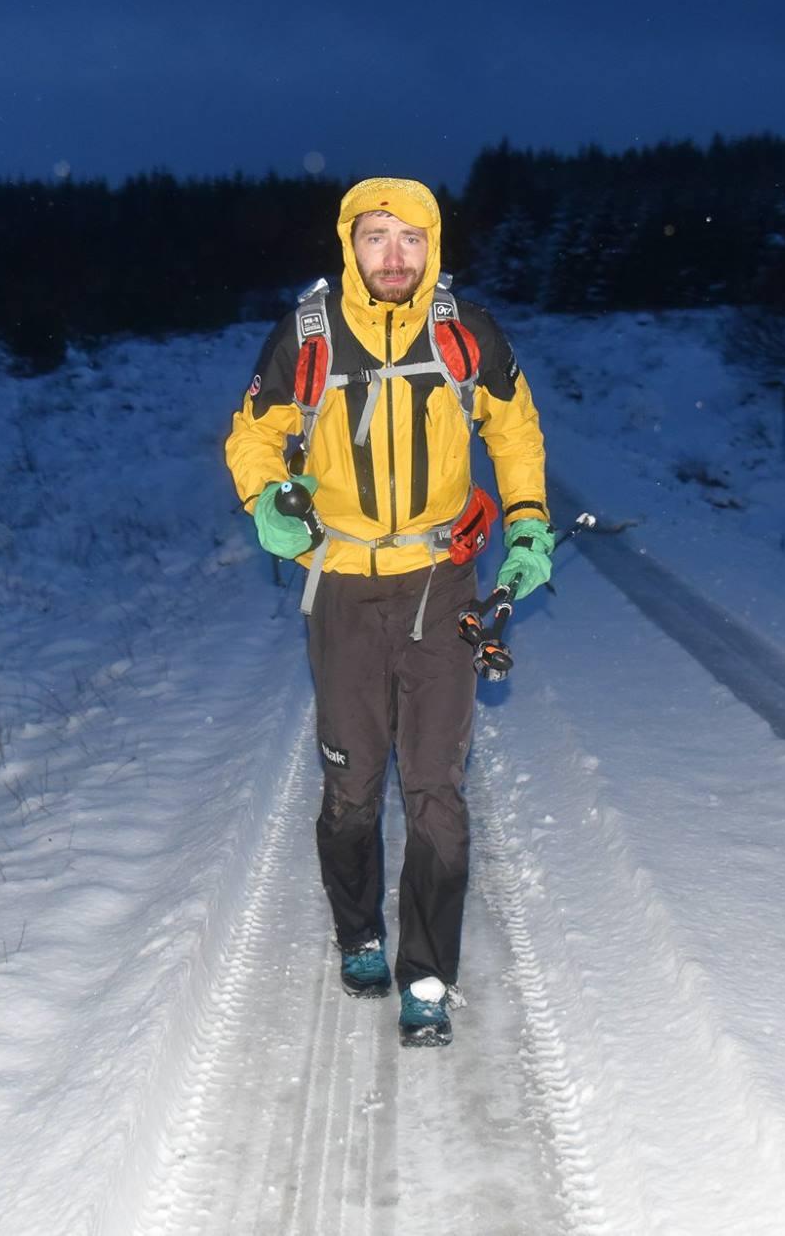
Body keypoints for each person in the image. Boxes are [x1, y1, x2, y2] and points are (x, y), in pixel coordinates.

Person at [224, 176, 553, 1047]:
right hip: (340, 584)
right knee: (352, 783)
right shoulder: (308, 335)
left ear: (433, 244)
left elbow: (514, 430)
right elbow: (255, 433)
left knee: (436, 790)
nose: (394, 256)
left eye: (410, 238)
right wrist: (266, 499)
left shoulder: (465, 332)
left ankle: (429, 974)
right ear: (351, 245)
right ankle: (359, 931)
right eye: (376, 238)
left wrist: (526, 525)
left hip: (443, 581)